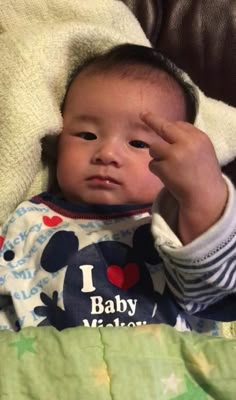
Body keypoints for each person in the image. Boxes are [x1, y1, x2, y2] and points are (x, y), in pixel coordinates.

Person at [0, 43, 235, 334]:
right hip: (53, 370)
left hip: (165, 371)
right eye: (87, 134)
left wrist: (203, 194)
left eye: (138, 143)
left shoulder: (178, 224)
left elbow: (218, 289)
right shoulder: (29, 220)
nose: (107, 154)